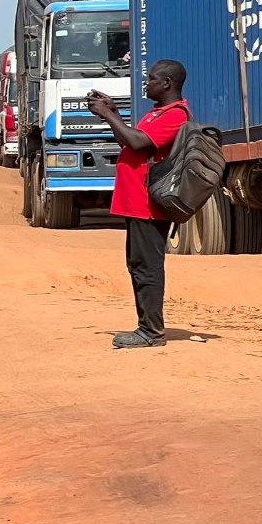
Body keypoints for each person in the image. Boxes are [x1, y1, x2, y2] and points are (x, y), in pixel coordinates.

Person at [86, 59, 190, 348]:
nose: (147, 82)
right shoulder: (157, 114)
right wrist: (114, 113)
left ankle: (151, 331)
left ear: (167, 83)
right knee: (138, 265)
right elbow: (130, 141)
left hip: (148, 205)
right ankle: (146, 327)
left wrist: (109, 115)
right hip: (136, 203)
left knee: (148, 267)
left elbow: (138, 143)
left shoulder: (175, 115)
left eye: (151, 78)